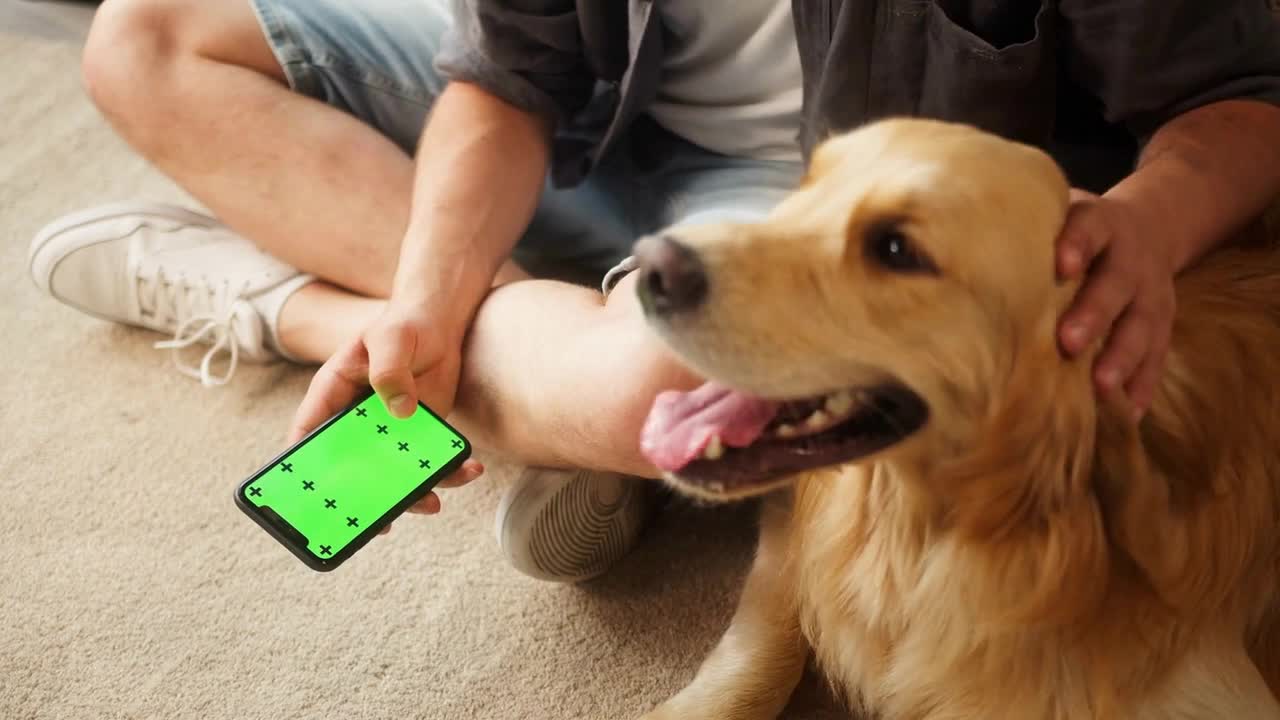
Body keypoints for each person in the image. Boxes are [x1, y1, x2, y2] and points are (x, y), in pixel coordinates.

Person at [29, 0, 1280, 583]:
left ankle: (286, 301)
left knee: (665, 376)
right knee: (143, 37)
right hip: (589, 133)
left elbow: (1239, 98)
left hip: (801, 207)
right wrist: (426, 291)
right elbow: (507, 77)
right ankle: (404, 328)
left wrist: (1142, 224)